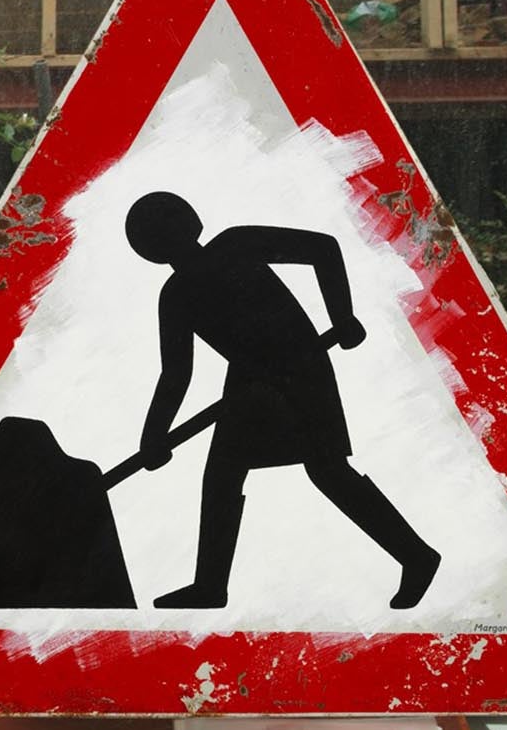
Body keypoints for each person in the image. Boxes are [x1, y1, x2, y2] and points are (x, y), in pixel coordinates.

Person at [126, 190, 440, 610]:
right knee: (224, 474)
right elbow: (177, 373)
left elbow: (322, 249)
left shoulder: (236, 244)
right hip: (248, 382)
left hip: (299, 364)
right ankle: (210, 586)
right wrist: (153, 436)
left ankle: (416, 556)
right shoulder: (176, 295)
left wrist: (340, 317)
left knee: (326, 469)